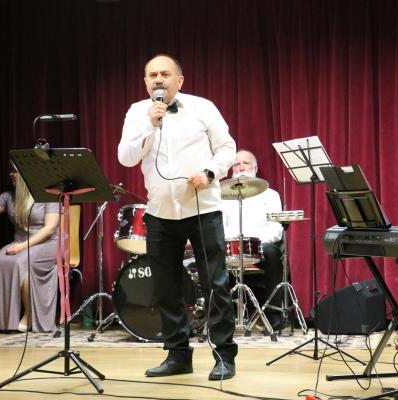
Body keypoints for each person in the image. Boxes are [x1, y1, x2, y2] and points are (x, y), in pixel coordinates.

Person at [118, 54, 238, 380]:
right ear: (146, 82)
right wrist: (150, 123)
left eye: (165, 74)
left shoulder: (202, 107)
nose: (158, 79)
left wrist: (210, 173)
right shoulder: (137, 113)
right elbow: (126, 158)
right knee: (166, 288)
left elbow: (227, 147)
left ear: (179, 80)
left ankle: (224, 356)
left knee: (216, 285)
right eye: (152, 75)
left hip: (202, 208)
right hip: (160, 211)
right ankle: (178, 356)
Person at [0, 163, 59, 333]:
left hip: (49, 244)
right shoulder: (9, 197)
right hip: (21, 244)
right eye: (11, 170)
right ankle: (5, 321)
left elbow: (50, 229)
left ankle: (29, 315)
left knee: (22, 261)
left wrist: (22, 247)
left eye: (15, 171)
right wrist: (21, 246)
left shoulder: (48, 195)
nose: (11, 174)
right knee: (0, 260)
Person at [222, 150, 286, 330]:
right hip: (231, 247)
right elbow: (220, 228)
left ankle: (273, 314)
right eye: (237, 164)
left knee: (273, 253)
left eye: (246, 163)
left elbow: (276, 229)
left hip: (260, 247)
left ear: (255, 168)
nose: (241, 167)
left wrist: (253, 244)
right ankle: (224, 316)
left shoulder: (270, 195)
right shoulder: (223, 196)